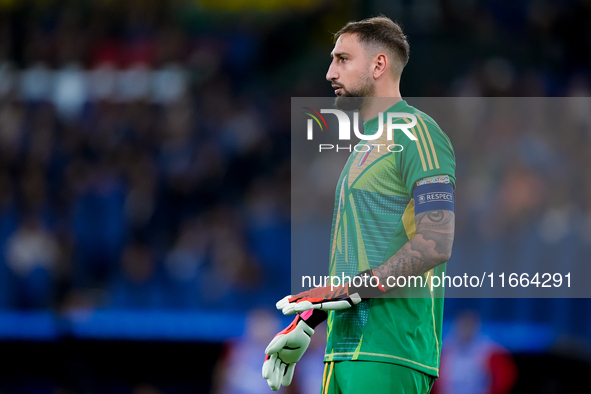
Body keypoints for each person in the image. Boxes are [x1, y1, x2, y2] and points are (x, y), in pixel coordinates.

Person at [263, 16, 456, 393]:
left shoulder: (418, 133)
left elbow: (437, 241)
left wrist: (351, 289)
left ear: (378, 65)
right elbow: (362, 262)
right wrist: (307, 320)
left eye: (342, 59)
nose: (329, 73)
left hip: (389, 351)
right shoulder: (363, 147)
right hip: (342, 351)